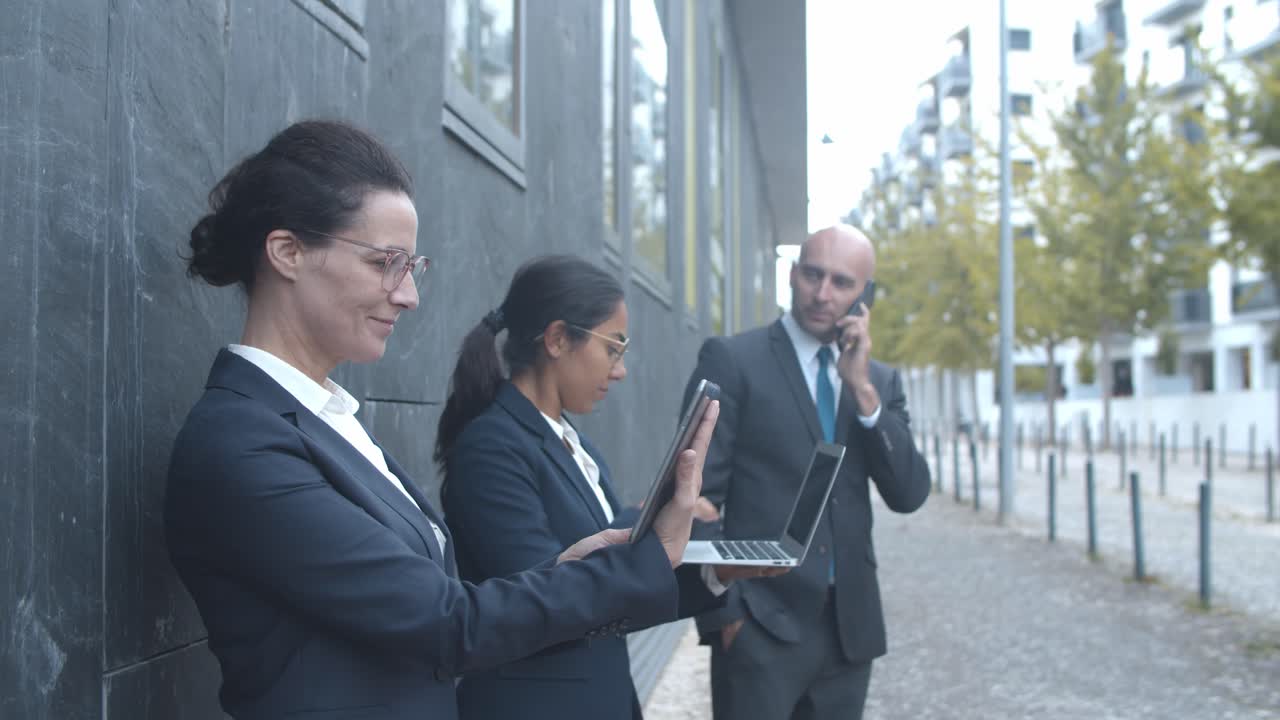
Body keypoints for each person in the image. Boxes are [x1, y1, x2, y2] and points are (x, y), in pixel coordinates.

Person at [164, 120, 718, 720]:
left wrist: (570, 567)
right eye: (385, 263)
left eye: (412, 267)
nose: (408, 295)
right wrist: (644, 559)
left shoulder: (323, 421)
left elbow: (427, 608)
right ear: (288, 252)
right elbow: (444, 623)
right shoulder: (241, 443)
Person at [435, 255, 779, 720]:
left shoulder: (576, 446)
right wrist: (651, 522)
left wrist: (718, 573)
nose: (620, 370)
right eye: (613, 348)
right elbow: (543, 599)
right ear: (558, 339)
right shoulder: (491, 449)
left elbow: (609, 586)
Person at [683, 224, 931, 720]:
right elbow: (691, 496)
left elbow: (908, 493)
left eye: (842, 283)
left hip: (848, 632)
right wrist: (724, 619)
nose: (822, 294)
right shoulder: (733, 360)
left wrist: (861, 392)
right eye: (812, 275)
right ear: (792, 275)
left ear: (866, 297)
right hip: (758, 629)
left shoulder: (877, 381)